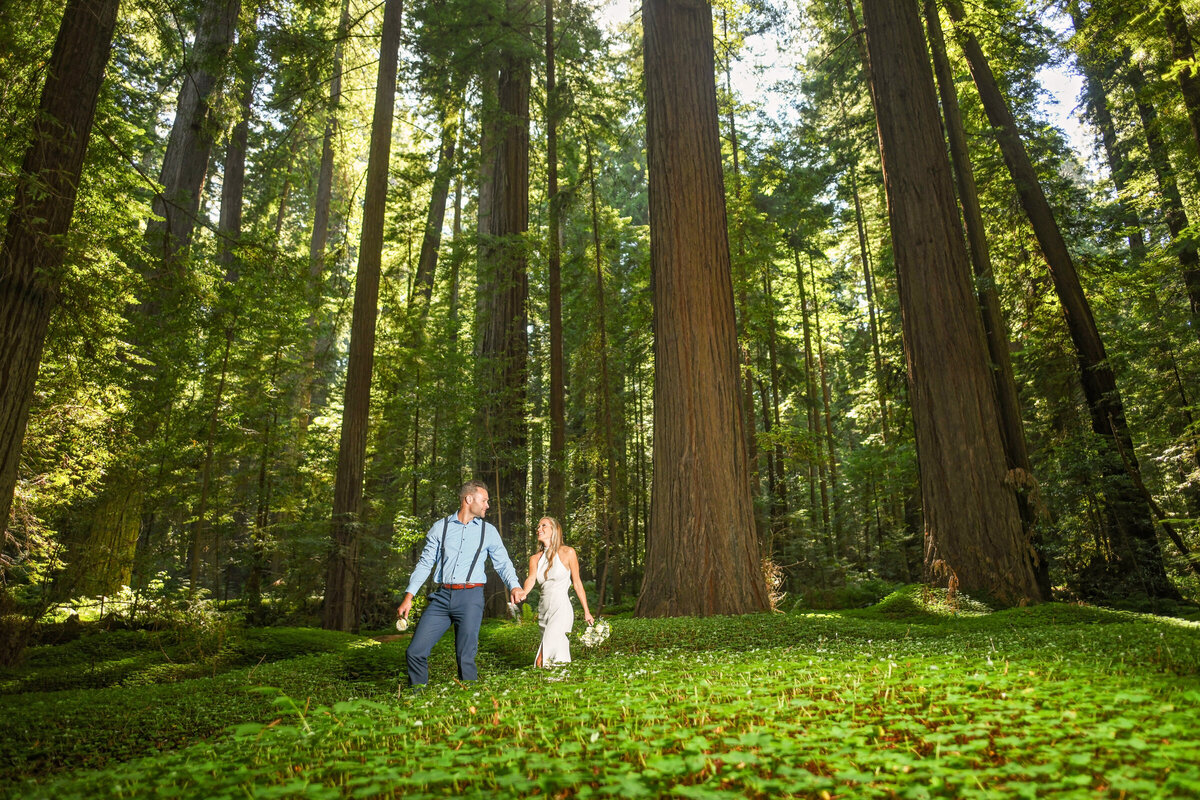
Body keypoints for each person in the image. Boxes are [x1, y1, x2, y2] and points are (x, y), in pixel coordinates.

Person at [398, 480, 525, 687]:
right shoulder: (441, 528)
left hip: (470, 598)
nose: (487, 505)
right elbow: (425, 563)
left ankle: (470, 704)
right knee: (415, 651)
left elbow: (503, 563)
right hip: (441, 598)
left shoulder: (488, 531)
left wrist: (514, 585)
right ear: (468, 499)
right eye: (484, 500)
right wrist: (408, 597)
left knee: (465, 657)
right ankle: (417, 702)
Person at [520, 516, 594, 667]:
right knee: (556, 652)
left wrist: (587, 611)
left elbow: (577, 583)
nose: (539, 529)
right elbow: (531, 579)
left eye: (543, 526)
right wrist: (523, 592)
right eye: (538, 526)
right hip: (544, 610)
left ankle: (539, 683)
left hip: (561, 609)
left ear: (554, 529)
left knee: (542, 658)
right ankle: (558, 685)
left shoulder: (568, 552)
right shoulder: (535, 558)